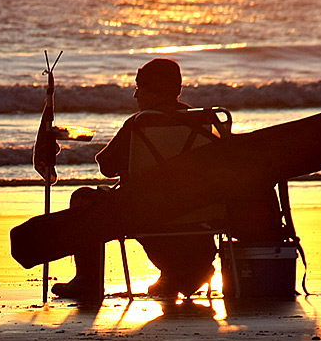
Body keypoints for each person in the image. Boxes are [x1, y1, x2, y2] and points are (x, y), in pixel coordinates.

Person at [52, 58, 219, 303]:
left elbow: (107, 167)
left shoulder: (141, 123)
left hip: (149, 214)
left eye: (140, 88)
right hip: (200, 216)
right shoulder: (202, 121)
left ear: (154, 91)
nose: (135, 95)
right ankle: (174, 273)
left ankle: (87, 281)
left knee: (83, 197)